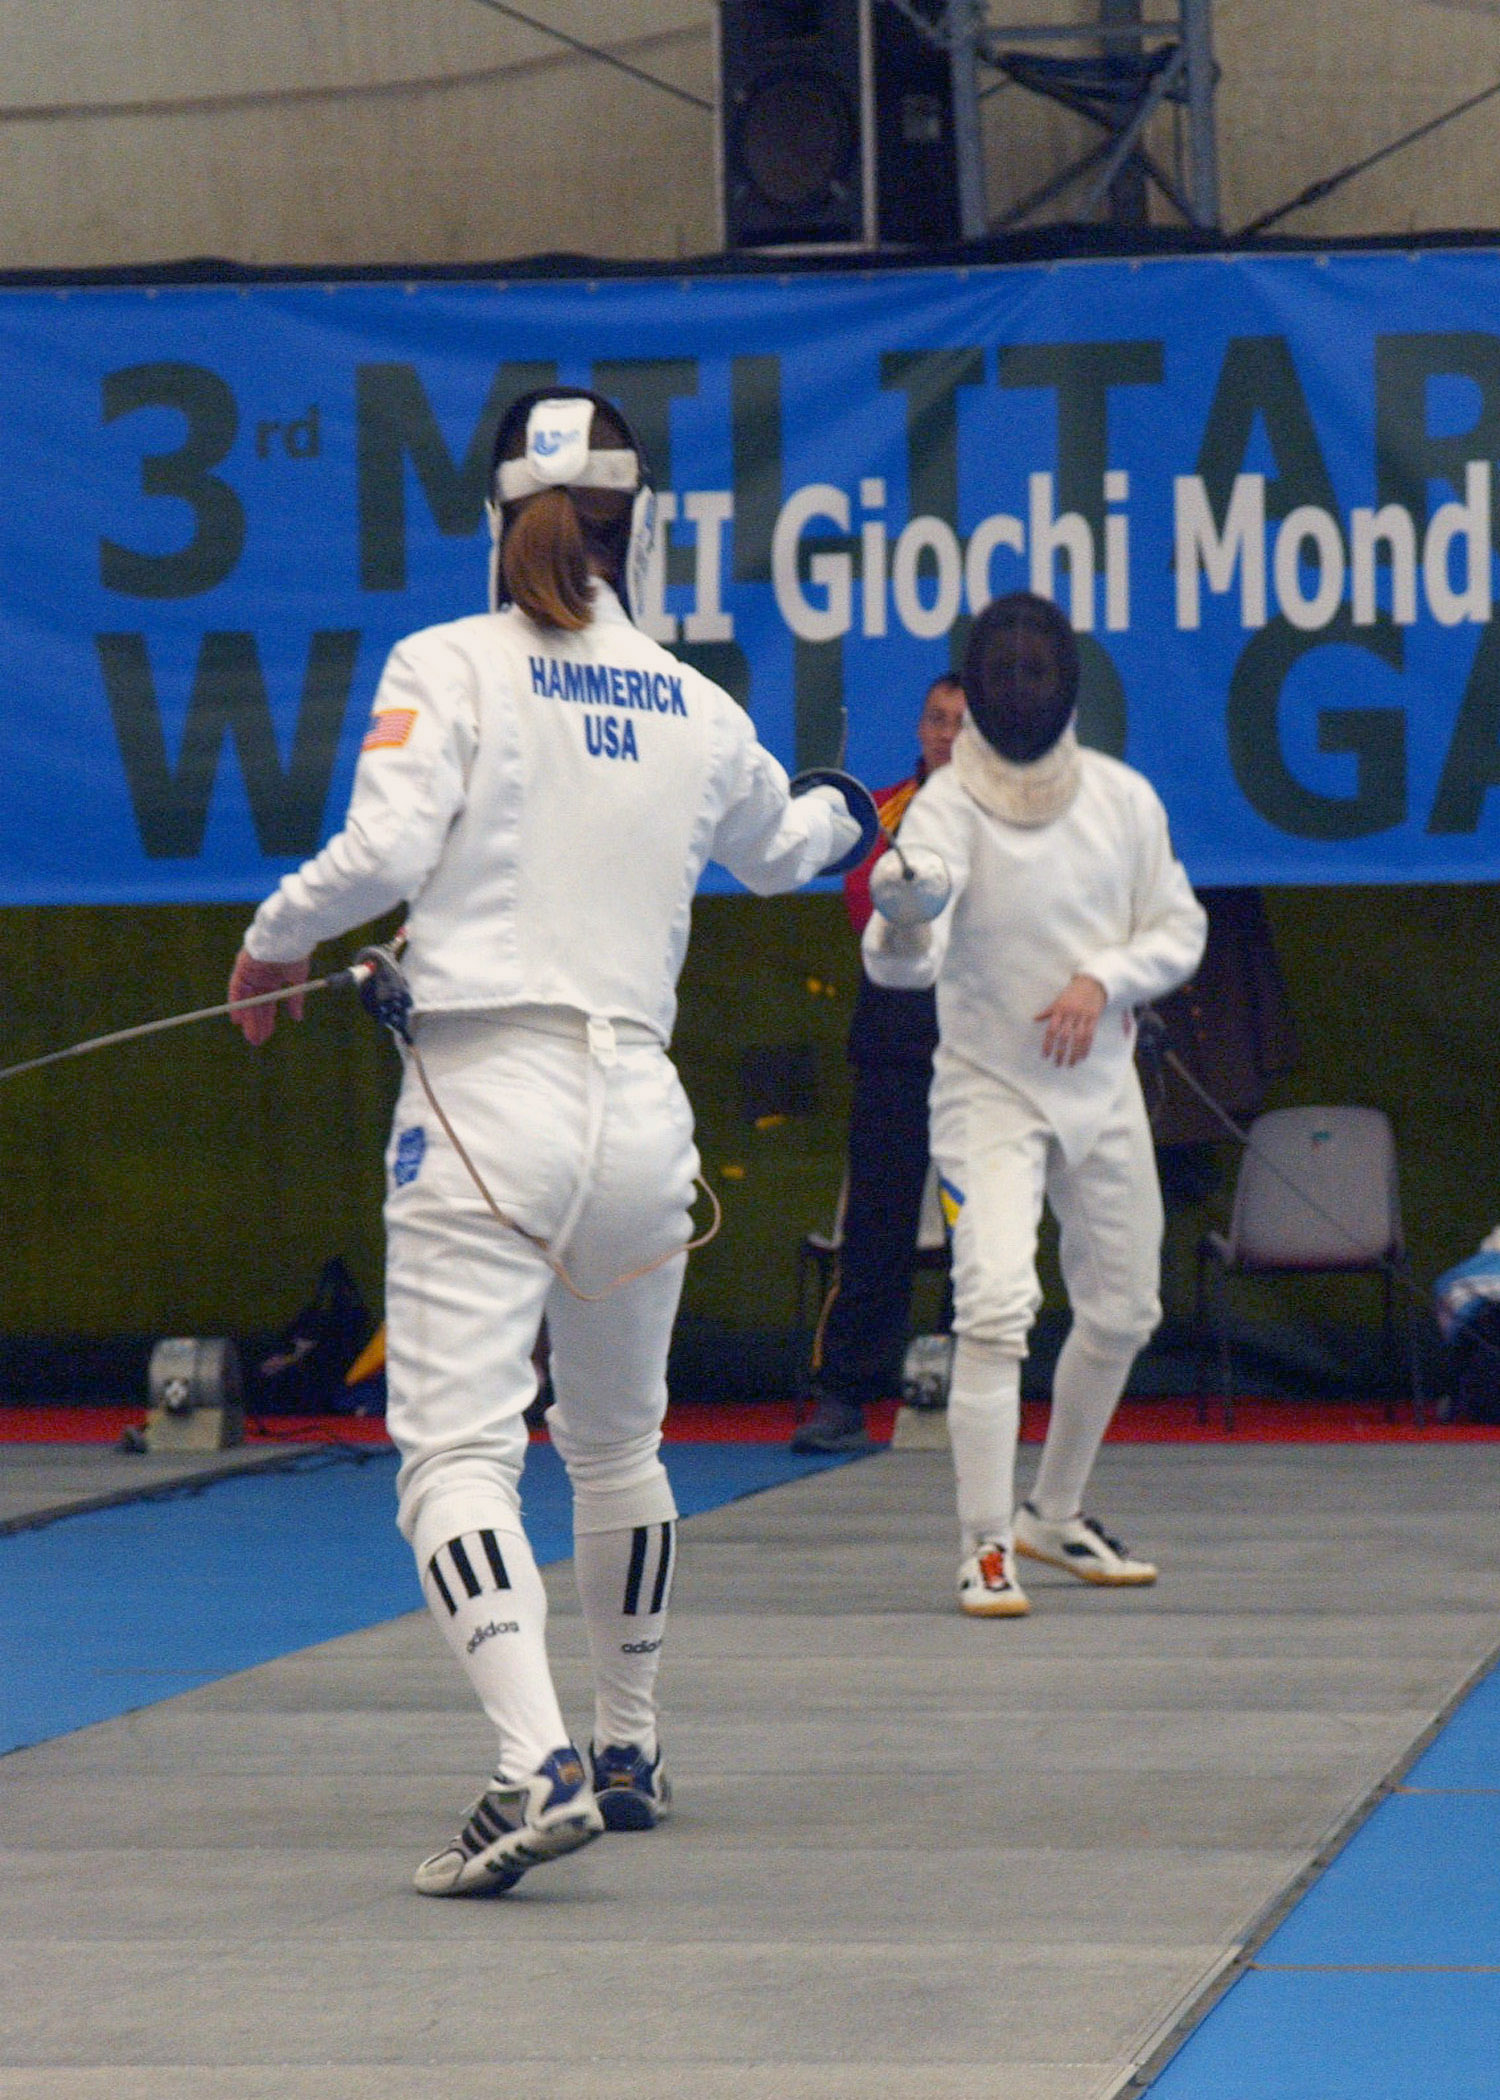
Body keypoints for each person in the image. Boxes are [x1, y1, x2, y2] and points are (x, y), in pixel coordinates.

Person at [227, 388, 864, 1891]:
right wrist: (856, 809)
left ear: (494, 508)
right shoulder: (697, 706)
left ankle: (535, 1766)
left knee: (455, 1454)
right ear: (641, 525)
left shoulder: (445, 664)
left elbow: (383, 852)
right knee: (617, 1443)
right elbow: (791, 849)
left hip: (484, 1112)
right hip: (642, 1122)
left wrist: (270, 947)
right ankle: (628, 1740)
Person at [863, 591, 1206, 1617]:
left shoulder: (1121, 801)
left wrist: (1103, 977)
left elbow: (1178, 928)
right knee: (997, 1306)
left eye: (1036, 671)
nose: (1021, 688)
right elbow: (897, 965)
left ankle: (1051, 1513)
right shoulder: (944, 810)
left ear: (1067, 684)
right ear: (976, 688)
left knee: (1126, 1307)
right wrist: (902, 919)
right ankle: (982, 1544)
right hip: (989, 1096)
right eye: (1002, 673)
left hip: (1101, 1092)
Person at [790, 674, 965, 1455]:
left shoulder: (1015, 815)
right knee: (875, 1223)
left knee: (985, 1220)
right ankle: (844, 1393)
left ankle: (973, 1382)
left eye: (961, 722)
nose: (945, 733)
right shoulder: (886, 809)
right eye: (934, 718)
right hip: (895, 1036)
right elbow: (863, 899)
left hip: (982, 1042)